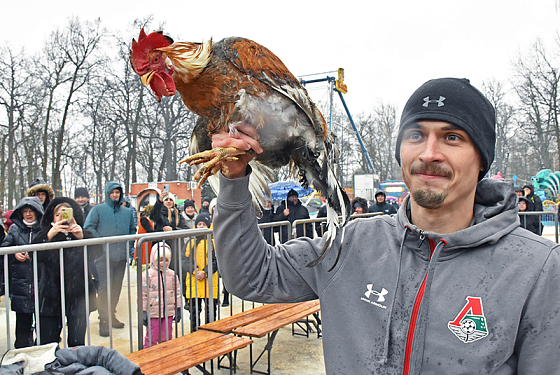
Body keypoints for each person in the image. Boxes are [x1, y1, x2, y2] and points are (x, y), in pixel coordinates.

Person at [211, 77, 560, 374]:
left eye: (452, 137)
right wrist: (234, 176)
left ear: (481, 157)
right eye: (416, 135)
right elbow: (252, 275)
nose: (429, 153)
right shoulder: (351, 245)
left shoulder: (536, 268)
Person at [33, 197, 100, 347]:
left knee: (77, 342)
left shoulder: (82, 233)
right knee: (48, 342)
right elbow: (34, 255)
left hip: (78, 296)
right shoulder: (45, 233)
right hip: (51, 295)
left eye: (66, 213)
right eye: (57, 214)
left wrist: (82, 237)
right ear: (51, 217)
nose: (62, 218)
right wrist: (49, 235)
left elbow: (97, 253)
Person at [84, 181, 136, 337]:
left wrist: (129, 248)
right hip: (103, 256)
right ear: (107, 193)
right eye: (112, 192)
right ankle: (104, 320)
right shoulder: (97, 210)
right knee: (105, 288)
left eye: (117, 193)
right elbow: (88, 227)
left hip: (121, 255)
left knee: (116, 287)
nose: (115, 195)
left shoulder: (126, 212)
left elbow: (132, 230)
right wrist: (102, 242)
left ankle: (111, 315)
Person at [1, 196, 44, 348]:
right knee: (22, 329)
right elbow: (4, 249)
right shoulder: (14, 229)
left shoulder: (45, 228)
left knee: (44, 329)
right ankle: (21, 357)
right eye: (25, 211)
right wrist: (14, 254)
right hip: (21, 286)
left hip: (41, 285)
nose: (28, 214)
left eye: (31, 210)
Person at [183, 212, 218, 332]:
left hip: (210, 282)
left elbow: (217, 261)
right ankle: (195, 332)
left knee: (211, 311)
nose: (201, 226)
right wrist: (194, 270)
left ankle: (211, 332)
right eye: (199, 224)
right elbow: (185, 259)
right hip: (194, 282)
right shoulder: (190, 242)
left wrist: (205, 272)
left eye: (204, 224)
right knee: (194, 311)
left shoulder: (214, 242)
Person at [142, 242, 181, 347]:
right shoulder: (147, 275)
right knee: (152, 336)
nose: (163, 263)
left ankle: (165, 358)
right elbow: (143, 294)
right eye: (159, 260)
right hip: (153, 312)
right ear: (153, 260)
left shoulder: (172, 275)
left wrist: (178, 308)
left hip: (168, 312)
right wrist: (143, 311)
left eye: (166, 260)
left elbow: (177, 291)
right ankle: (149, 357)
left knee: (166, 337)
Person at [122, 196, 138, 264]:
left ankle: (132, 259)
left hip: (129, 230)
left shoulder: (131, 209)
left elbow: (133, 221)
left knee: (131, 245)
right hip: (124, 230)